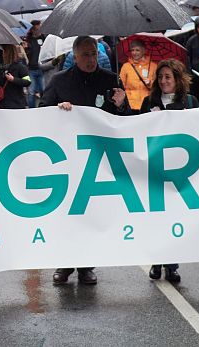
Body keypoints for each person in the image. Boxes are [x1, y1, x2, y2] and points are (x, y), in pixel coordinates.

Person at [42, 36, 131, 285]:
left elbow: (126, 118)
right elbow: (41, 110)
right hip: (68, 156)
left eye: (93, 54)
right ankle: (65, 263)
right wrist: (58, 110)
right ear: (75, 56)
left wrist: (122, 105)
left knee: (92, 213)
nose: (91, 59)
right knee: (68, 213)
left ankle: (86, 266)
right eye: (85, 55)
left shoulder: (110, 79)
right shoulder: (59, 81)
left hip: (98, 157)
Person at [139, 59, 199, 283]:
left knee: (175, 217)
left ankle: (172, 264)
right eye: (161, 77)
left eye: (168, 77)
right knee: (157, 217)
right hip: (155, 169)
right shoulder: (149, 101)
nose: (163, 81)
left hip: (181, 169)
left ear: (177, 79)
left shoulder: (190, 102)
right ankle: (157, 260)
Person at [0, 44, 31, 109]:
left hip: (16, 103)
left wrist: (13, 79)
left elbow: (27, 81)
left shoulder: (20, 66)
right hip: (0, 104)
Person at [119, 39, 157, 110]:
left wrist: (150, 83)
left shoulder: (153, 66)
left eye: (137, 50)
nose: (134, 53)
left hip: (147, 104)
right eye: (132, 50)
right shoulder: (126, 66)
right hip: (130, 105)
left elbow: (158, 86)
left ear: (144, 51)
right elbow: (121, 86)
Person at [24, 21, 45, 108]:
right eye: (36, 29)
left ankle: (44, 107)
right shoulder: (28, 41)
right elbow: (25, 56)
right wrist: (26, 49)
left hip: (41, 68)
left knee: (43, 90)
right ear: (32, 30)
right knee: (31, 92)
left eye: (39, 29)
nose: (38, 31)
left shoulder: (43, 38)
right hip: (31, 70)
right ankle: (32, 110)